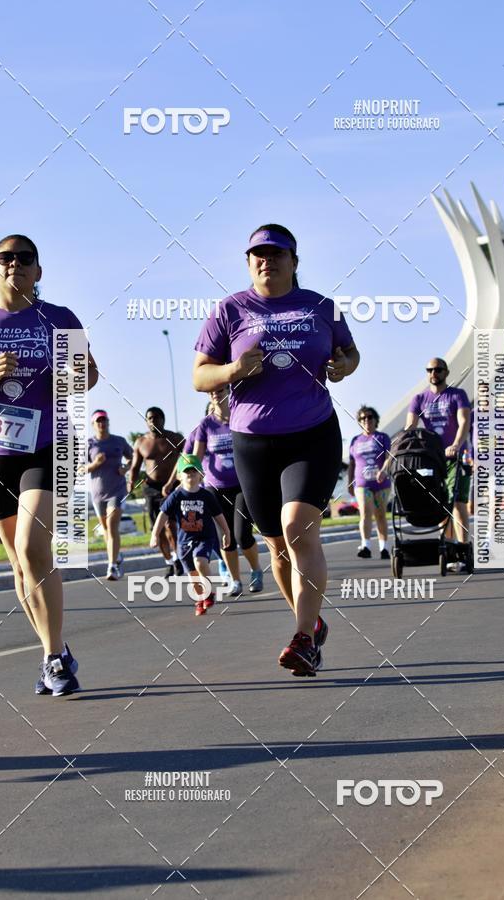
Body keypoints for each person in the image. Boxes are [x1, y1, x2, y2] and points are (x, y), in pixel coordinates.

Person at [193, 224, 359, 676]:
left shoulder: (320, 306)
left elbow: (350, 353)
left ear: (294, 261)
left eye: (277, 254)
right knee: (276, 548)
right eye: (257, 255)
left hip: (312, 433)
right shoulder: (230, 310)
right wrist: (232, 369)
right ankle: (310, 623)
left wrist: (344, 364)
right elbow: (199, 376)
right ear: (249, 263)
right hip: (253, 441)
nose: (267, 261)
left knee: (297, 527)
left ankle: (303, 639)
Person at [0, 234, 98, 695]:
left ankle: (54, 659)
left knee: (33, 547)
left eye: (24, 258)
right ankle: (56, 651)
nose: (15, 265)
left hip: (48, 444)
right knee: (16, 561)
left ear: (39, 271)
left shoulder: (59, 318)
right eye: (5, 258)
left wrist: (76, 374)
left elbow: (87, 374)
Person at [194, 387, 263, 595]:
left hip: (242, 485)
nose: (216, 393)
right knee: (227, 537)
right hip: (215, 489)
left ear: (228, 391)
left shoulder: (240, 416)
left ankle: (256, 570)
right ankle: (235, 581)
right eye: (212, 391)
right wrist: (189, 481)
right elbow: (196, 457)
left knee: (242, 534)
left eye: (221, 389)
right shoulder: (206, 425)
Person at [406, 357, 471, 567]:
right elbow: (411, 427)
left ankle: (463, 547)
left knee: (458, 503)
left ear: (446, 372)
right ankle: (450, 548)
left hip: (456, 456)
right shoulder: (419, 399)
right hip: (433, 459)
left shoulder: (457, 395)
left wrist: (456, 444)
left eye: (438, 369)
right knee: (443, 504)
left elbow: (464, 422)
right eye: (430, 370)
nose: (434, 373)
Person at [150, 454, 230, 616]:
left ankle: (208, 593)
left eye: (194, 471)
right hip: (184, 542)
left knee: (200, 561)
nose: (190, 475)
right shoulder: (176, 496)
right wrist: (155, 535)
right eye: (186, 472)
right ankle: (200, 598)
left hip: (204, 538)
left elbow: (218, 515)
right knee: (193, 575)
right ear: (179, 476)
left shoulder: (206, 495)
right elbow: (163, 515)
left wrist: (226, 532)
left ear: (201, 475)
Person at [128, 407, 184, 576]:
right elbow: (135, 467)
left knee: (170, 525)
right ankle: (169, 561)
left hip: (171, 487)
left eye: (155, 418)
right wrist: (131, 482)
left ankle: (178, 558)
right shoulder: (141, 442)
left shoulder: (175, 438)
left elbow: (187, 457)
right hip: (151, 488)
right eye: (149, 418)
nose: (152, 421)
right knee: (157, 530)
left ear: (162, 419)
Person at [86, 409, 132, 580]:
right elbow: (80, 468)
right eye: (98, 421)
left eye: (104, 420)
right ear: (93, 424)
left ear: (108, 422)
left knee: (112, 527)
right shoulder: (89, 444)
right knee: (106, 530)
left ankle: (112, 567)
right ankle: (117, 556)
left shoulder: (118, 441)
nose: (101, 424)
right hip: (98, 493)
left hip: (117, 491)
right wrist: (95, 464)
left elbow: (132, 457)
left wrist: (126, 468)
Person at [347, 406, 391, 560]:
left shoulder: (383, 437)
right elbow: (351, 464)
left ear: (375, 419)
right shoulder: (355, 441)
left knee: (380, 515)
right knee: (365, 512)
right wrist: (349, 482)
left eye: (369, 417)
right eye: (362, 418)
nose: (366, 420)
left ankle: (384, 547)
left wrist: (384, 470)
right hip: (362, 484)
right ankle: (365, 546)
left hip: (381, 484)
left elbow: (388, 457)